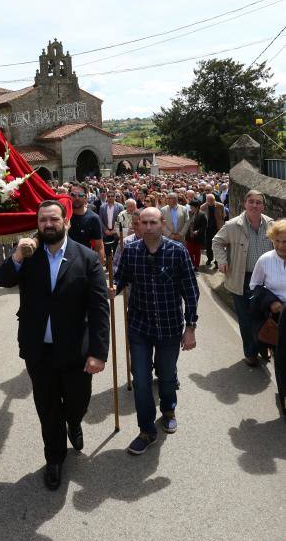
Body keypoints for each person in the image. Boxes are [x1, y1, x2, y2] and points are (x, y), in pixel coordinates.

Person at [0, 200, 109, 490]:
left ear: (65, 222)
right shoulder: (28, 256)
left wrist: (98, 353)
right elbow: (3, 279)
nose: (48, 224)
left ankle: (74, 421)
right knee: (47, 408)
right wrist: (17, 256)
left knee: (77, 401)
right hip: (39, 350)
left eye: (53, 219)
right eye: (43, 220)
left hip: (75, 350)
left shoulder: (86, 258)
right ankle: (54, 458)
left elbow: (98, 309)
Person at [113, 207, 199, 454]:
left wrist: (191, 327)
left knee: (168, 375)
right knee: (140, 379)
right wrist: (113, 289)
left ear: (162, 223)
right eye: (144, 223)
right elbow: (120, 278)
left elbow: (191, 292)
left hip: (170, 326)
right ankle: (147, 430)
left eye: (153, 222)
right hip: (139, 326)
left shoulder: (178, 252)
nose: (148, 227)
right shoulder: (130, 251)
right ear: (138, 225)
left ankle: (169, 409)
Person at [212, 190, 273, 366]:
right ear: (244, 204)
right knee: (246, 318)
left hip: (265, 280)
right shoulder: (233, 225)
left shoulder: (271, 224)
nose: (254, 205)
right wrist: (222, 261)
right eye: (251, 201)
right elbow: (217, 242)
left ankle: (263, 346)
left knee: (265, 315)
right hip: (242, 278)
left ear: (263, 205)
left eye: (258, 202)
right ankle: (251, 352)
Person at [249, 219, 286, 411]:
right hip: (277, 317)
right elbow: (254, 286)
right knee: (282, 360)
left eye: (285, 242)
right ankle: (284, 397)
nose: (280, 245)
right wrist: (271, 301)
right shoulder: (265, 260)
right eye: (277, 241)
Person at [68, 182, 105, 264]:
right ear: (69, 196)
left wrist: (97, 271)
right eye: (73, 195)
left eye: (80, 195)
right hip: (65, 264)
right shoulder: (63, 216)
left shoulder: (93, 218)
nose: (77, 198)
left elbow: (99, 247)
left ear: (85, 197)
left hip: (85, 264)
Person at [200, 193, 225, 267]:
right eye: (209, 201)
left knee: (218, 245)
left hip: (217, 228)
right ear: (206, 200)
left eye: (212, 200)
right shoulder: (203, 207)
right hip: (207, 229)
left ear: (214, 199)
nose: (210, 202)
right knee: (208, 245)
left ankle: (217, 261)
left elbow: (223, 216)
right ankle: (209, 259)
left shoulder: (220, 206)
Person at [99, 190, 124, 259]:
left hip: (116, 233)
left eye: (112, 196)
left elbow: (121, 220)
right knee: (107, 253)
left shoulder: (120, 206)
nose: (110, 197)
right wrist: (105, 230)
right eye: (109, 196)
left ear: (115, 197)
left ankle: (115, 268)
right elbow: (100, 220)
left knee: (116, 252)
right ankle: (108, 267)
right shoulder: (102, 207)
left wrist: (115, 230)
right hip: (106, 233)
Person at [185, 200, 207, 271]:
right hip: (189, 236)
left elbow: (204, 227)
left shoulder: (202, 215)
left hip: (197, 237)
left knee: (197, 252)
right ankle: (191, 264)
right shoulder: (190, 213)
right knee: (189, 251)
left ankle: (196, 265)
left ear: (197, 207)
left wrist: (197, 232)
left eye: (192, 207)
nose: (191, 208)